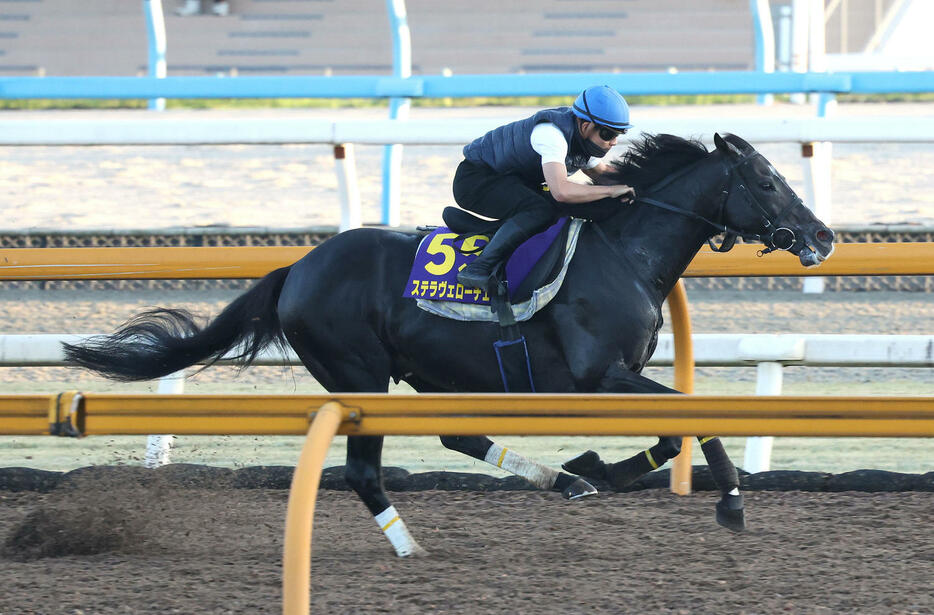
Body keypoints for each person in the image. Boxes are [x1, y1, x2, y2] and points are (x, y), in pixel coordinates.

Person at [454, 85, 636, 293]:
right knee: (540, 209)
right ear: (585, 126)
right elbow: (561, 191)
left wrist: (638, 185)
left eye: (618, 135)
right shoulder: (552, 135)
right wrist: (611, 191)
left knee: (558, 208)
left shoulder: (582, 138)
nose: (613, 142)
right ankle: (478, 268)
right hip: (475, 181)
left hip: (508, 179)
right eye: (607, 134)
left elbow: (602, 174)